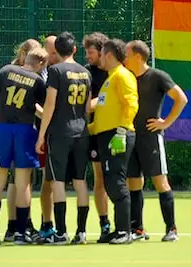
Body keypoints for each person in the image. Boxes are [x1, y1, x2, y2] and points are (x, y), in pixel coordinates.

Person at [0, 47, 48, 245]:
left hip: (2, 130)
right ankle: (21, 233)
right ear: (41, 64)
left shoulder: (5, 70)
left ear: (25, 58)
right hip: (24, 131)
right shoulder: (37, 81)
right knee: (22, 184)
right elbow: (43, 110)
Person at [124, 40, 188, 242]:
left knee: (160, 182)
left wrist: (165, 122)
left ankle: (171, 229)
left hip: (151, 138)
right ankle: (138, 230)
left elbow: (181, 98)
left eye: (126, 54)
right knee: (133, 183)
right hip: (130, 136)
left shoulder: (157, 76)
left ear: (138, 56)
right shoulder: (126, 77)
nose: (123, 58)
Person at [36, 32, 92, 245]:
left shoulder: (56, 71)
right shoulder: (85, 72)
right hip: (82, 132)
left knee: (57, 181)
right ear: (75, 49)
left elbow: (50, 105)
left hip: (60, 133)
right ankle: (82, 232)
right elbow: (87, 107)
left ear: (56, 51)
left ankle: (61, 232)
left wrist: (41, 135)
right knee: (80, 181)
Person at [90, 38, 138, 244]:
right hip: (105, 136)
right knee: (110, 182)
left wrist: (121, 131)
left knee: (117, 183)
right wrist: (85, 130)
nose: (98, 59)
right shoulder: (110, 78)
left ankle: (125, 231)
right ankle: (120, 230)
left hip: (117, 135)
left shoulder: (123, 76)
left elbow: (131, 104)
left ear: (108, 55)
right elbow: (103, 114)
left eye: (101, 55)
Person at [3, 38, 43, 243]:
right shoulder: (20, 73)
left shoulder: (15, 71)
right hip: (22, 131)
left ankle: (17, 226)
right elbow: (35, 105)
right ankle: (21, 225)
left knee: (19, 181)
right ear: (24, 55)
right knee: (20, 181)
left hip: (19, 131)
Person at [82, 32, 112, 243]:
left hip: (119, 131)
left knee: (125, 178)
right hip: (95, 133)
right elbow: (87, 105)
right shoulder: (86, 74)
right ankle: (105, 224)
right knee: (99, 177)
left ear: (102, 52)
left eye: (90, 52)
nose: (88, 56)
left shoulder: (117, 72)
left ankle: (133, 224)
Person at [36, 34, 59, 240]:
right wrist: (46, 118)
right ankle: (47, 224)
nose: (54, 56)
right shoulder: (38, 74)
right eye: (51, 52)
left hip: (67, 134)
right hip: (45, 134)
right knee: (48, 180)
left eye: (56, 52)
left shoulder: (69, 70)